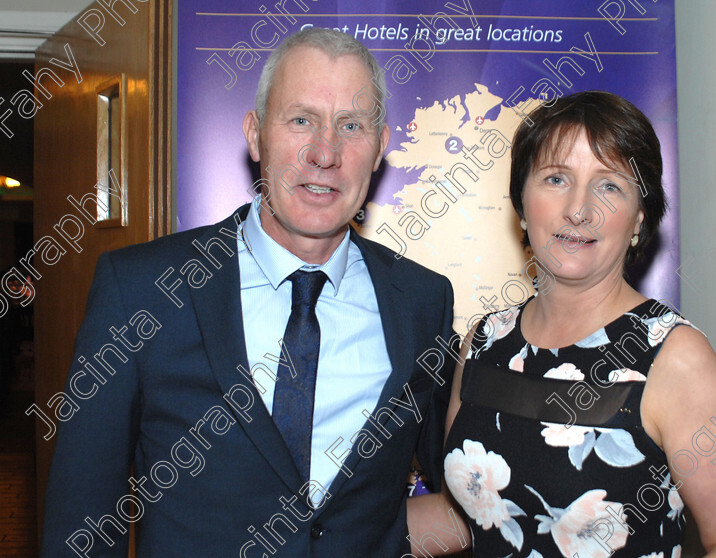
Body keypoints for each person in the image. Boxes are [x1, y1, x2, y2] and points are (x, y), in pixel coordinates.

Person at [41, 28, 456, 557]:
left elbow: (462, 484)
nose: (324, 153)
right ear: (256, 134)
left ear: (379, 148)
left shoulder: (423, 301)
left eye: (350, 126)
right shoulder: (141, 290)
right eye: (301, 120)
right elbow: (82, 520)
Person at [408, 91, 716, 557]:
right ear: (522, 200)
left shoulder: (676, 361)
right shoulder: (484, 342)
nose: (578, 209)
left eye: (609, 186)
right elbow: (468, 519)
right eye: (556, 178)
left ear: (639, 216)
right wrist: (325, 531)